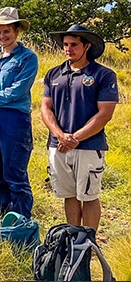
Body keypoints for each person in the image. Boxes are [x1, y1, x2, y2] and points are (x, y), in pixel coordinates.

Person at [41, 25, 118, 231]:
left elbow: (105, 114)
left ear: (87, 46)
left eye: (74, 44)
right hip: (58, 145)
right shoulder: (54, 74)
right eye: (65, 44)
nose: (68, 49)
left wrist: (75, 137)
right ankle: (74, 239)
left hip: (89, 145)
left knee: (90, 195)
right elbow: (46, 108)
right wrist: (60, 136)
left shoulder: (103, 74)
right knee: (69, 194)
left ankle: (89, 241)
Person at [0, 7, 39, 218]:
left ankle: (20, 222)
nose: (2, 36)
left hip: (13, 119)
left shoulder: (27, 58)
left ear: (17, 30)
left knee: (15, 174)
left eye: (7, 31)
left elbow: (17, 90)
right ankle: (2, 217)